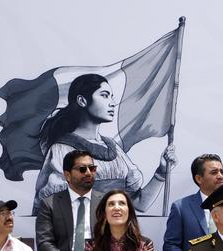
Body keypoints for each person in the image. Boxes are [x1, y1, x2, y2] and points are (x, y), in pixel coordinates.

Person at [34, 73, 175, 214]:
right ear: (82, 100)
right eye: (105, 95)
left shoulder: (114, 149)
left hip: (117, 232)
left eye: (111, 97)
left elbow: (140, 204)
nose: (112, 102)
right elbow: (53, 209)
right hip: (82, 232)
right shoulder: (62, 149)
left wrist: (161, 172)